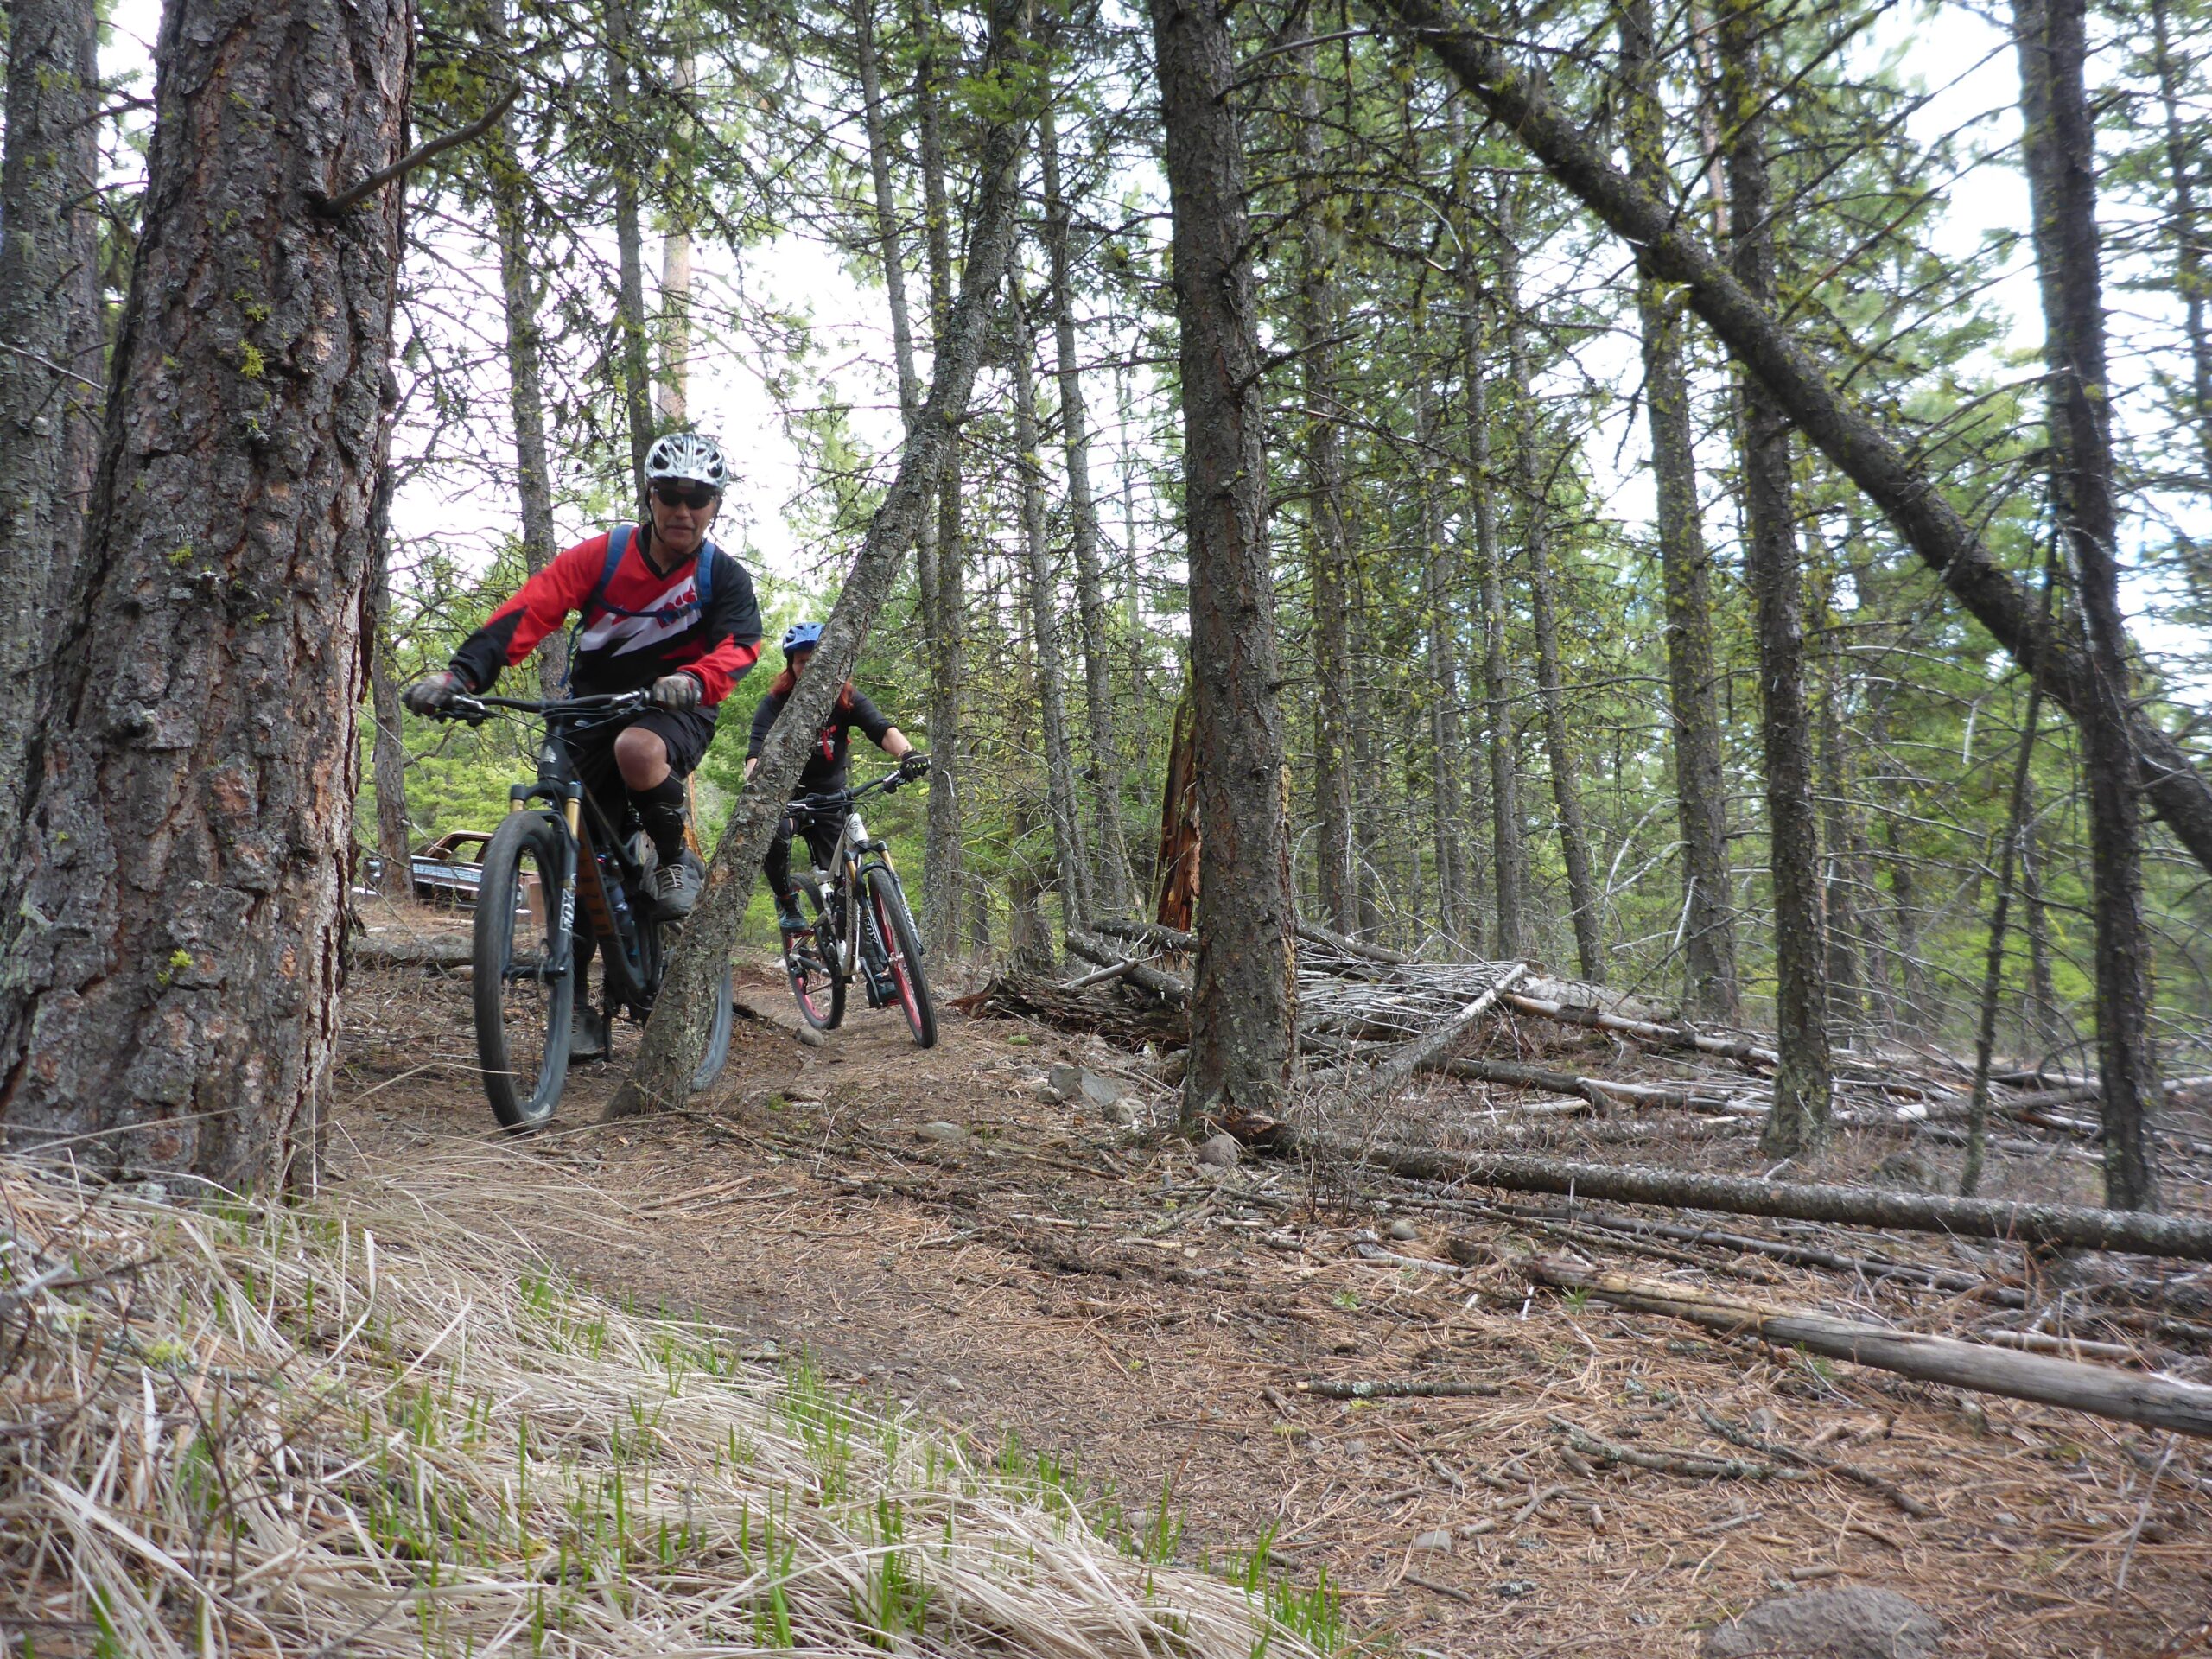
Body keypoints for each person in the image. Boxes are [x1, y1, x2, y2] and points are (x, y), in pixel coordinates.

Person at [404, 432, 763, 926]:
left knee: (637, 749)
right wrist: (461, 676)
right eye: (671, 495)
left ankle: (675, 858)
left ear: (714, 506)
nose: (684, 510)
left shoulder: (721, 576)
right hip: (592, 707)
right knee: (575, 838)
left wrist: (695, 680)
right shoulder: (604, 555)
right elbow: (530, 610)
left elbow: (740, 646)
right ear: (650, 497)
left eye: (697, 498)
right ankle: (576, 981)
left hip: (679, 707)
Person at [745, 622, 927, 935]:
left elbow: (880, 728)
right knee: (772, 831)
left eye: (815, 659)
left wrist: (909, 754)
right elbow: (755, 753)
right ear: (792, 665)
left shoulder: (846, 697)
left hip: (832, 798)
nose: (809, 667)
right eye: (802, 661)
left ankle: (877, 967)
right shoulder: (775, 703)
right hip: (790, 800)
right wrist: (758, 787)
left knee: (846, 886)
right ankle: (787, 900)